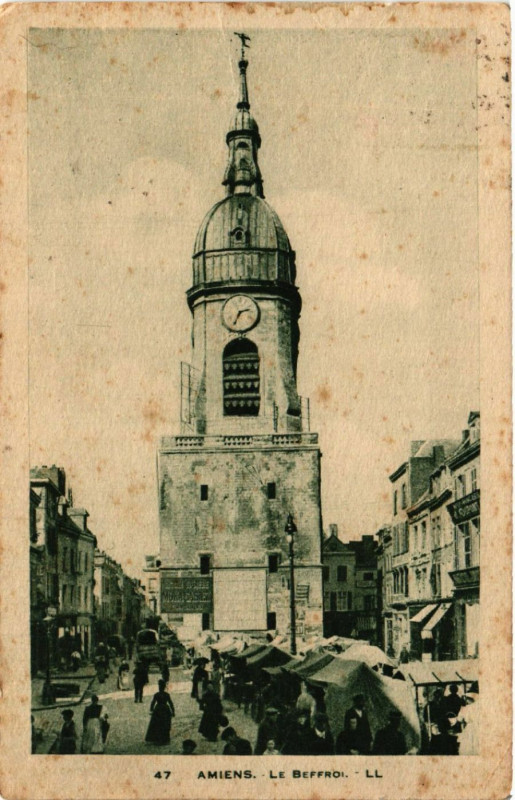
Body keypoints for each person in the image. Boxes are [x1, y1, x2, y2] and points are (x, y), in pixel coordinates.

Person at [145, 679, 175, 745]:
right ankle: (165, 739)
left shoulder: (156, 694)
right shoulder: (167, 694)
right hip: (165, 709)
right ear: (164, 687)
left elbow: (152, 703)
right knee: (165, 724)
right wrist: (173, 711)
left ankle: (157, 738)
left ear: (159, 687)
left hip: (158, 709)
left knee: (157, 724)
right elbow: (171, 703)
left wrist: (152, 710)